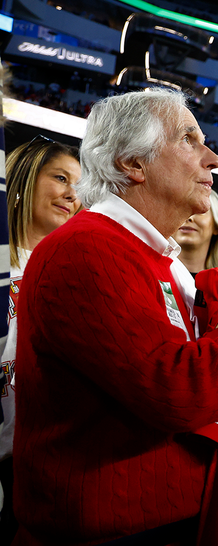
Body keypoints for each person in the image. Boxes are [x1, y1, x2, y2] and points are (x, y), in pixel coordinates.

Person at [13, 88, 218, 545]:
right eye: (190, 139)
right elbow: (177, 389)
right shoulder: (85, 249)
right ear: (133, 163)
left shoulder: (154, 260)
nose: (213, 159)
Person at [0, 137, 81, 543]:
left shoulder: (73, 274)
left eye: (79, 186)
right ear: (25, 178)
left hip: (30, 463)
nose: (72, 194)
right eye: (61, 178)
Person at [173, 189, 218, 279]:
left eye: (199, 211)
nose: (189, 218)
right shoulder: (151, 272)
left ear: (216, 226)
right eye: (182, 210)